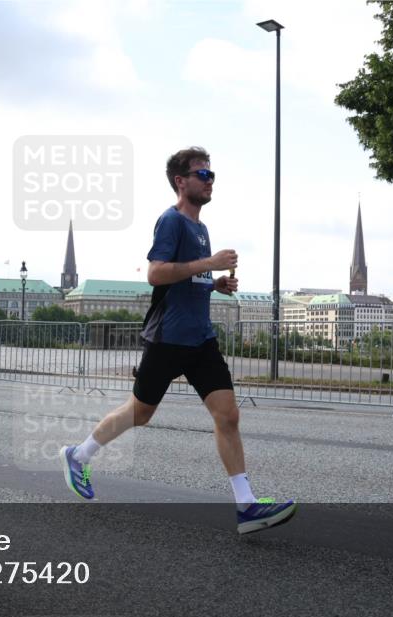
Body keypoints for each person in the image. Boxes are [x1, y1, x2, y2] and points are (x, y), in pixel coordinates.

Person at [59, 146, 297, 535]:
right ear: (180, 181)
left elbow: (187, 277)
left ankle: (247, 506)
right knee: (140, 413)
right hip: (169, 337)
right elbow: (156, 273)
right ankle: (78, 455)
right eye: (203, 174)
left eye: (211, 174)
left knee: (228, 415)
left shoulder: (201, 229)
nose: (210, 181)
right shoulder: (171, 222)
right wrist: (208, 265)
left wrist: (214, 283)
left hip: (200, 339)